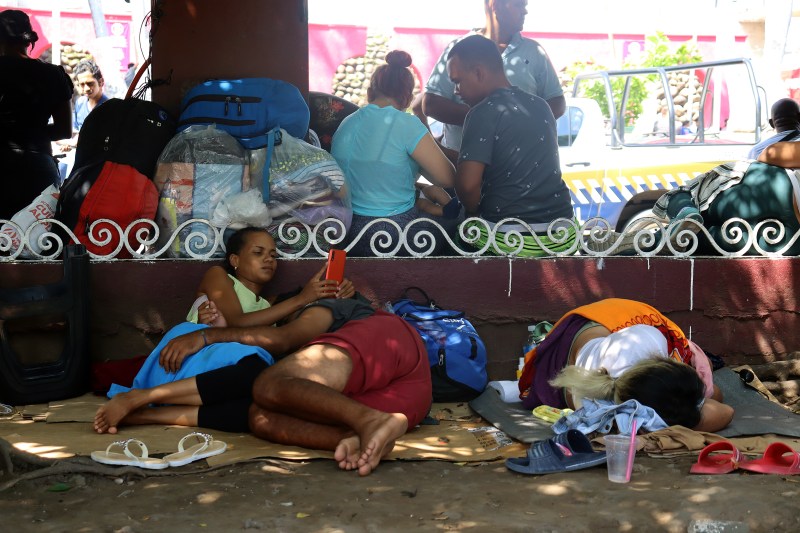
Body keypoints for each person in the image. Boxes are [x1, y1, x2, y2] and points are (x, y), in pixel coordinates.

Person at [95, 294, 432, 477]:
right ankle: (363, 438)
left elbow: (283, 337)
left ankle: (371, 423)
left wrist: (206, 335)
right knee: (259, 418)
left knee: (270, 384)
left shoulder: (328, 308)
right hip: (399, 404)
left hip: (393, 348)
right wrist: (144, 415)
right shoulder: (309, 374)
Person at [104, 227, 351, 398]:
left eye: (273, 255)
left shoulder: (268, 306)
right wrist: (301, 299)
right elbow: (237, 322)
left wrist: (334, 294)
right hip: (189, 351)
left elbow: (288, 333)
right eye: (258, 253)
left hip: (227, 363)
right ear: (235, 259)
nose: (269, 260)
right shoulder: (219, 276)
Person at [518, 298, 734, 433]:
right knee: (713, 393)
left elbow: (719, 407)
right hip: (589, 337)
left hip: (592, 327)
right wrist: (689, 417)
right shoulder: (620, 412)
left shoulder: (647, 340)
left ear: (659, 360)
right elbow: (725, 410)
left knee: (710, 392)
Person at [446, 34, 576, 257]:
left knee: (451, 232)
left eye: (458, 81)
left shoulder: (482, 112)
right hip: (563, 234)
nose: (456, 91)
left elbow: (467, 187)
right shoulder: (542, 105)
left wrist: (471, 212)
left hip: (507, 238)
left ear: (478, 72)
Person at [331, 50, 456, 256]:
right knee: (457, 221)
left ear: (370, 93)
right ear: (407, 98)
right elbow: (447, 178)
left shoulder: (347, 122)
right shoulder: (406, 124)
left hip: (347, 230)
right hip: (395, 233)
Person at [422, 0, 565, 153]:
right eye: (519, 4)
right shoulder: (458, 50)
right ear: (495, 5)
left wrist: (522, 123)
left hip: (518, 165)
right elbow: (431, 104)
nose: (525, 11)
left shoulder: (534, 51)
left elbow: (557, 102)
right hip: (463, 161)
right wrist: (487, 119)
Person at [0, 9, 73, 219]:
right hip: (38, 169)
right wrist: (32, 131)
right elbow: (64, 130)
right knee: (38, 243)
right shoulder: (53, 75)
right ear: (29, 39)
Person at [55, 59, 109, 178]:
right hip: (78, 155)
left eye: (90, 83)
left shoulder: (109, 107)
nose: (86, 89)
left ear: (101, 82)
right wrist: (69, 143)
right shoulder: (80, 103)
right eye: (81, 84)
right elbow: (76, 132)